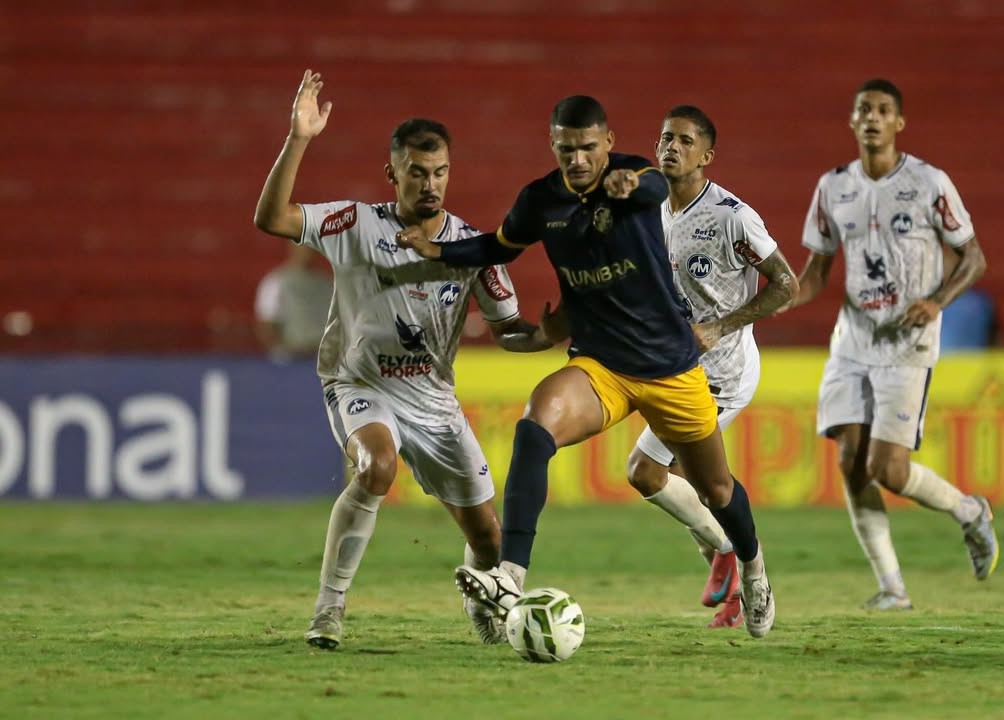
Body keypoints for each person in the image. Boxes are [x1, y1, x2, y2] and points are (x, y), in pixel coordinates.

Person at [397, 95, 776, 638]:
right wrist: (439, 253)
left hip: (669, 366)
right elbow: (499, 246)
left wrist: (628, 187)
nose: (578, 159)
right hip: (602, 365)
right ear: (554, 145)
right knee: (535, 425)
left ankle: (755, 568)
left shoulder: (635, 180)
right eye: (567, 148)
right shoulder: (540, 201)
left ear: (609, 144)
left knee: (716, 489)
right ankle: (509, 574)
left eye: (589, 148)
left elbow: (648, 184)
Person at [253, 70, 553, 649]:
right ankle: (329, 608)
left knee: (489, 540)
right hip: (359, 382)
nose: (430, 184)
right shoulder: (355, 224)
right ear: (392, 174)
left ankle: (481, 598)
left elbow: (509, 332)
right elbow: (272, 218)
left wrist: (548, 334)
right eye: (417, 173)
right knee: (377, 467)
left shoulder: (474, 250)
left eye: (440, 172)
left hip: (434, 402)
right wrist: (300, 139)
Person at [785, 78, 998, 610]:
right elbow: (814, 275)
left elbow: (973, 258)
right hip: (852, 340)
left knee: (890, 471)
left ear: (899, 123)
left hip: (908, 343)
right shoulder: (833, 187)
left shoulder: (929, 183)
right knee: (850, 460)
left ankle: (970, 512)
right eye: (864, 110)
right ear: (852, 122)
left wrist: (938, 301)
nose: (872, 118)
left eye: (883, 110)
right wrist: (768, 303)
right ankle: (892, 588)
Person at [627, 105, 797, 628]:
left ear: (706, 155)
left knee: (679, 478)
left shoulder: (732, 217)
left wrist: (719, 327)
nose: (669, 147)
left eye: (683, 140)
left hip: (724, 373)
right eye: (664, 138)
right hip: (673, 371)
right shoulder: (650, 210)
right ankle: (730, 564)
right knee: (663, 475)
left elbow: (786, 285)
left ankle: (751, 572)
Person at [254, 243, 333, 361]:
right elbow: (266, 325)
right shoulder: (276, 282)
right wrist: (283, 353)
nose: (307, 251)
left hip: (325, 360)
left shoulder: (328, 284)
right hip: (294, 360)